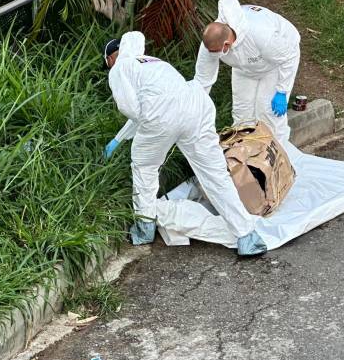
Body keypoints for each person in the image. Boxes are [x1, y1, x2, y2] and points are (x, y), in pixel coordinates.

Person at [103, 31, 267, 256]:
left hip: (161, 116)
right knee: (215, 174)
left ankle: (144, 228)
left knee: (145, 168)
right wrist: (118, 139)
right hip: (194, 107)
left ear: (111, 58)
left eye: (108, 63)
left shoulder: (120, 69)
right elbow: (153, 101)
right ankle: (247, 236)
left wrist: (149, 127)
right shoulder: (152, 63)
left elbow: (131, 109)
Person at [194, 0, 301, 147]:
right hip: (244, 67)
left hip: (275, 64)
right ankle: (246, 157)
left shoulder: (261, 35)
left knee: (268, 114)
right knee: (241, 114)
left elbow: (288, 57)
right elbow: (203, 79)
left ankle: (277, 159)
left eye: (217, 52)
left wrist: (282, 90)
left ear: (226, 44)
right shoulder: (210, 45)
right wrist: (196, 105)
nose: (214, 56)